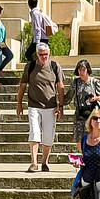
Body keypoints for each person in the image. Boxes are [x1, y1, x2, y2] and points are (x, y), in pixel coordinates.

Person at [18, 43, 65, 172]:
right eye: (41, 54)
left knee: (48, 135)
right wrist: (19, 103)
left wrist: (61, 105)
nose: (44, 57)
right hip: (34, 105)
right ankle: (34, 162)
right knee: (34, 132)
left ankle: (45, 161)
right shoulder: (30, 66)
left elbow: (60, 86)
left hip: (50, 106)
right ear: (37, 55)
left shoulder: (55, 66)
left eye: (46, 54)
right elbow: (22, 85)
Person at [69, 59, 100, 130]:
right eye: (79, 70)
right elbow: (69, 96)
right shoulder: (75, 82)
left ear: (87, 70)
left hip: (92, 114)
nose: (81, 72)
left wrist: (95, 98)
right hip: (79, 114)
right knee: (79, 139)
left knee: (91, 137)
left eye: (83, 70)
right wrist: (60, 105)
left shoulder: (94, 82)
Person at [24, 0, 56, 68]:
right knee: (41, 56)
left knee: (29, 54)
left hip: (40, 38)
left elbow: (37, 28)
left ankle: (36, 68)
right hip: (41, 38)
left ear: (29, 4)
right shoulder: (38, 12)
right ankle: (38, 68)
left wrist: (37, 42)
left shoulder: (35, 13)